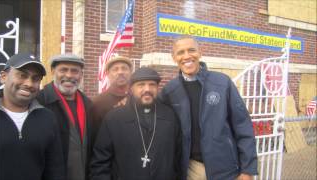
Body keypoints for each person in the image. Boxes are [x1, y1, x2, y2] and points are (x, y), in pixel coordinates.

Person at [159, 36, 258, 180]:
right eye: (180, 52)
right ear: (174, 57)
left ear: (200, 52)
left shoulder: (222, 82)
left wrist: (247, 170)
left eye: (191, 50)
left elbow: (242, 125)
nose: (187, 56)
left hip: (226, 169)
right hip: (191, 170)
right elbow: (153, 116)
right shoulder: (170, 91)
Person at [90, 67, 181, 180]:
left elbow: (178, 157)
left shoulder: (170, 116)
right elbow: (100, 161)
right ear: (132, 89)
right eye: (141, 85)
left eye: (152, 84)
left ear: (157, 88)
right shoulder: (114, 118)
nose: (147, 89)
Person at [0, 53, 65, 180]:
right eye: (22, 75)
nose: (29, 83)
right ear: (3, 77)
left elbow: (55, 170)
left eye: (35, 79)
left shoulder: (47, 118)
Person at [37, 53, 93, 180]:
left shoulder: (89, 105)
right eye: (63, 70)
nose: (69, 75)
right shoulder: (39, 102)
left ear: (81, 75)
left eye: (75, 71)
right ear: (52, 71)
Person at [90, 56, 132, 141]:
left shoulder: (138, 98)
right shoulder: (98, 102)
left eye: (124, 68)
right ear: (108, 74)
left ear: (131, 72)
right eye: (115, 69)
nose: (120, 72)